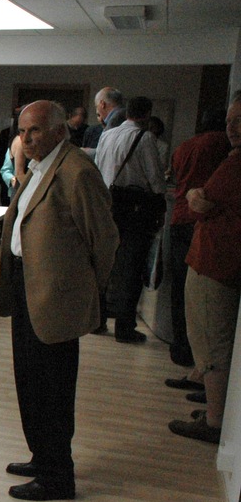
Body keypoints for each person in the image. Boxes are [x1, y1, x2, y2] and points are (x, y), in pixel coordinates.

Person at [0, 100, 118, 501]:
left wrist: (84, 288)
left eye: (34, 130)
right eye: (22, 131)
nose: (26, 138)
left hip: (55, 298)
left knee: (53, 389)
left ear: (59, 130)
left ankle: (57, 476)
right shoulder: (38, 168)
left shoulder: (77, 171)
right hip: (27, 287)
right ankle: (42, 456)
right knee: (29, 381)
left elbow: (104, 240)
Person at [168, 95, 241, 445]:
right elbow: (202, 199)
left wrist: (200, 200)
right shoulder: (227, 155)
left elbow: (202, 201)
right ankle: (210, 403)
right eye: (230, 119)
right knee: (207, 336)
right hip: (211, 255)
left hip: (218, 260)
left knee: (213, 342)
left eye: (240, 119)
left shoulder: (230, 160)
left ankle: (214, 420)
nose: (233, 127)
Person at [95, 95, 166, 344]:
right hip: (134, 211)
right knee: (131, 268)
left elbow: (98, 168)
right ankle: (124, 328)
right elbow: (156, 179)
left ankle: (98, 319)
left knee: (104, 264)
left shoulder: (107, 135)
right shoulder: (144, 138)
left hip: (107, 206)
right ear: (146, 114)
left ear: (127, 113)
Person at [166, 107, 229, 367]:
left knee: (179, 291)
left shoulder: (184, 146)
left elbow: (176, 178)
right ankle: (200, 359)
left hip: (179, 217)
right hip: (202, 222)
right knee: (200, 298)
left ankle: (180, 349)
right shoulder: (222, 145)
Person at [82, 86, 125, 153]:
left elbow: (110, 152)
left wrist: (87, 152)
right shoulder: (127, 117)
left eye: (96, 106)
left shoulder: (115, 121)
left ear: (102, 104)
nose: (97, 111)